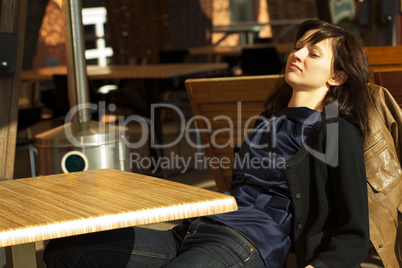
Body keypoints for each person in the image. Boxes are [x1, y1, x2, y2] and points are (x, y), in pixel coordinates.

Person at [43, 20, 370, 268]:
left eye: (312, 53)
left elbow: (354, 230)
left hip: (246, 243)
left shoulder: (334, 132)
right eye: (298, 46)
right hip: (194, 231)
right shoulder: (266, 122)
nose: (296, 54)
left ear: (337, 77)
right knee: (68, 250)